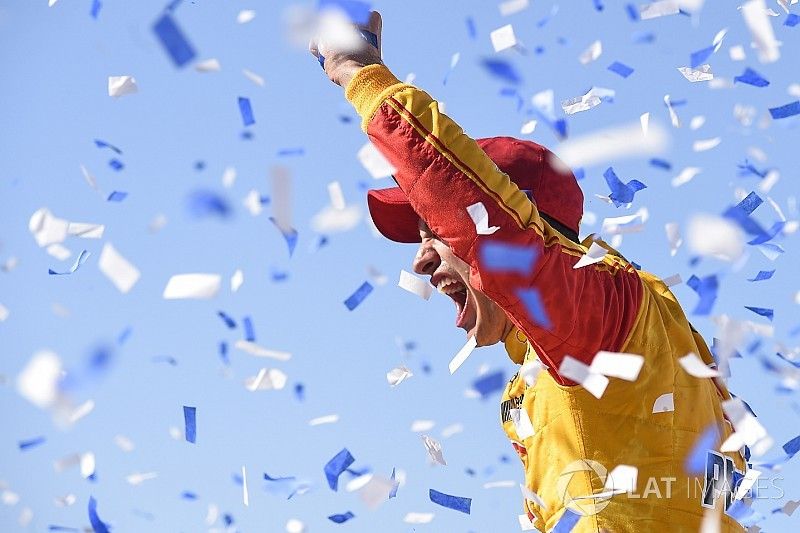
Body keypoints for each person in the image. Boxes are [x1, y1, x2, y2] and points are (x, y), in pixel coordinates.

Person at [310, 11, 747, 533]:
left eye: (435, 227)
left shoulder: (604, 314)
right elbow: (724, 500)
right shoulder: (597, 353)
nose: (421, 259)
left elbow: (496, 232)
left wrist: (361, 74)